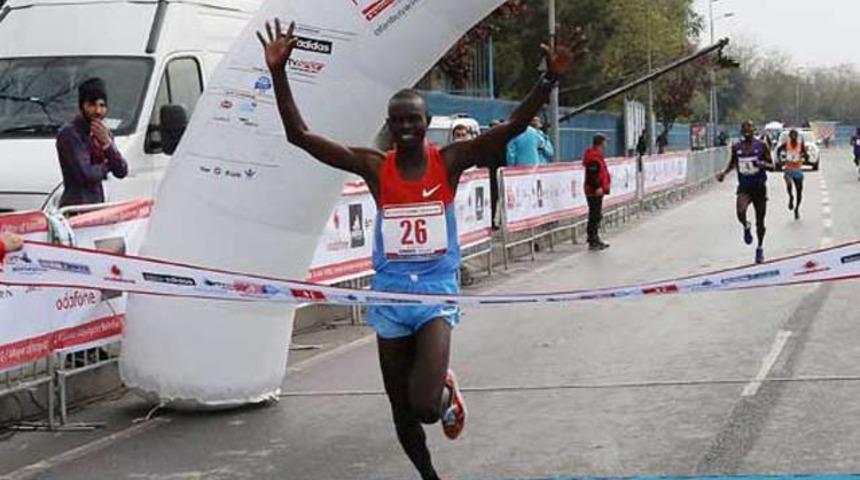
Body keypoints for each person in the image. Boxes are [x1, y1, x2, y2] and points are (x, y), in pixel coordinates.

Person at [257, 19, 579, 480]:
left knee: (425, 406)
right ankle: (430, 477)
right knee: (400, 410)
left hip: (433, 294)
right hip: (389, 297)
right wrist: (278, 73)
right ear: (389, 126)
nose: (406, 127)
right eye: (398, 120)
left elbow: (512, 128)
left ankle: (445, 392)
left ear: (426, 125)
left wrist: (549, 78)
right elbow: (300, 137)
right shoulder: (373, 166)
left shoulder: (448, 162)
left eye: (414, 119)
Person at [56, 78, 128, 208]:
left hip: (97, 206)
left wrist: (107, 144)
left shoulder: (103, 133)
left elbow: (121, 170)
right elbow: (86, 174)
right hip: (75, 208)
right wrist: (107, 165)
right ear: (82, 106)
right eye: (92, 105)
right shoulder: (70, 134)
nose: (98, 111)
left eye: (102, 105)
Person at [717, 121, 775, 264]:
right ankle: (745, 225)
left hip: (759, 188)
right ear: (742, 132)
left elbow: (773, 166)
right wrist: (724, 173)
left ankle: (760, 248)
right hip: (745, 187)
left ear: (754, 130)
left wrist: (761, 164)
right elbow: (732, 163)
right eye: (744, 130)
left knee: (760, 222)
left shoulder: (762, 146)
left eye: (750, 129)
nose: (747, 132)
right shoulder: (737, 147)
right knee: (740, 211)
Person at [584, 134, 610, 251]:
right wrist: (597, 187)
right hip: (593, 190)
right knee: (594, 215)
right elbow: (592, 175)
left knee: (597, 215)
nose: (606, 145)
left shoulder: (597, 156)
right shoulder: (593, 157)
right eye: (605, 142)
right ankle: (592, 239)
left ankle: (595, 238)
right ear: (600, 143)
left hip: (597, 190)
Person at [775, 129, 809, 220]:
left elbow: (806, 155)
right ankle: (790, 197)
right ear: (789, 137)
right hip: (788, 169)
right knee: (789, 184)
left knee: (799, 191)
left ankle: (797, 209)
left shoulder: (800, 145)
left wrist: (805, 157)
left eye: (795, 136)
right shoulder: (786, 144)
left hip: (797, 170)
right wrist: (780, 159)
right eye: (792, 136)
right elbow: (778, 150)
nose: (793, 138)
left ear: (797, 137)